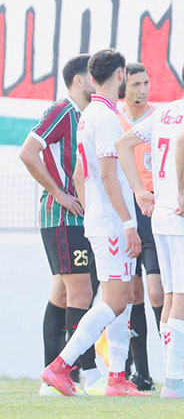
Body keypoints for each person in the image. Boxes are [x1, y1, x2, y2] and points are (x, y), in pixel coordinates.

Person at [118, 54, 184, 400]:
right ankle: (174, 382)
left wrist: (140, 191)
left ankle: (171, 377)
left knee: (171, 297)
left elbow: (123, 145)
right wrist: (181, 191)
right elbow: (182, 141)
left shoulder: (162, 111)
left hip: (161, 217)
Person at [41, 49, 147, 397]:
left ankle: (116, 376)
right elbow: (104, 173)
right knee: (114, 300)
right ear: (119, 75)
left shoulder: (88, 114)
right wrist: (127, 222)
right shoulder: (106, 118)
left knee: (125, 297)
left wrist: (92, 213)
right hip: (113, 224)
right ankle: (61, 366)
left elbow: (78, 171)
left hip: (102, 221)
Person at [19, 54, 103, 396]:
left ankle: (51, 379)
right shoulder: (62, 110)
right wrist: (59, 193)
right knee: (82, 292)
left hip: (78, 218)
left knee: (64, 292)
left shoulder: (86, 116)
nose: (97, 83)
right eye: (92, 77)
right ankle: (84, 373)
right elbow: (27, 152)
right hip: (63, 216)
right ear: (79, 80)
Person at [117, 62, 161, 392]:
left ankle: (173, 366)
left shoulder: (158, 118)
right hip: (125, 215)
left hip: (153, 211)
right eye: (136, 84)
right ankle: (139, 371)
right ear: (123, 86)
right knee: (131, 294)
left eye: (146, 83)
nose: (143, 89)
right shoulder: (113, 120)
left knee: (158, 288)